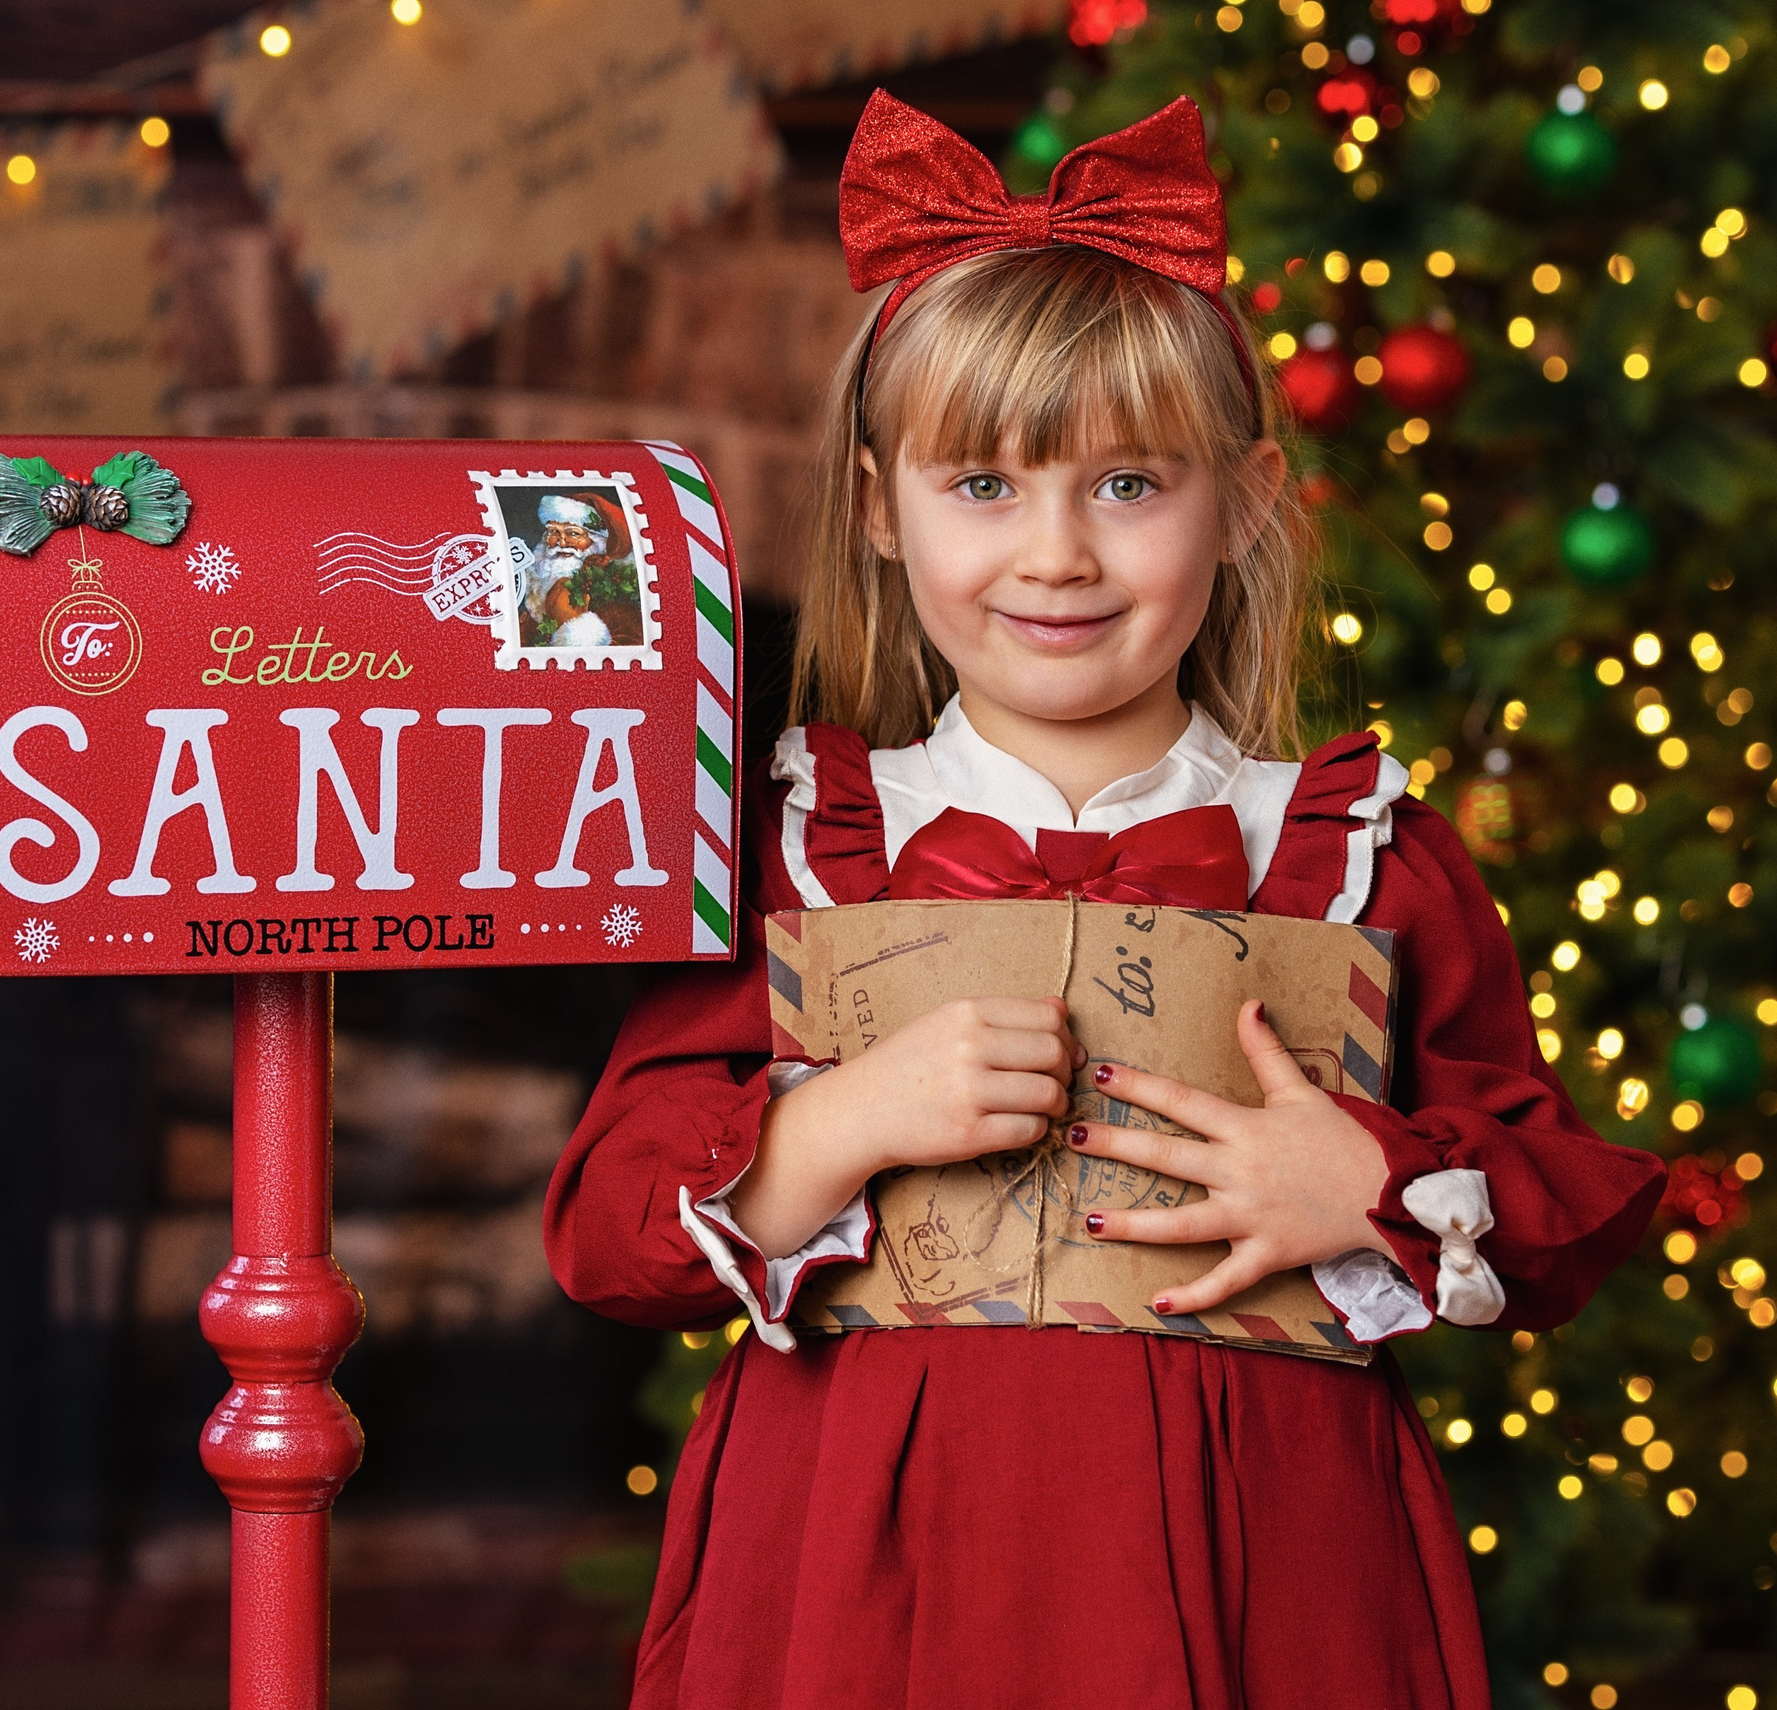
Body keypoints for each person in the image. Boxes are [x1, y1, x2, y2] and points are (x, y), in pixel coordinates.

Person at [544, 91, 1665, 1710]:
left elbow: (1559, 1202)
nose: (1056, 552)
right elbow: (606, 1233)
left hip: (1268, 1550)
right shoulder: (800, 851)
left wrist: (1361, 1181)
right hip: (864, 1558)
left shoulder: (1359, 857)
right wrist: (844, 1119)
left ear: (1249, 498)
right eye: (983, 486)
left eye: (1129, 485)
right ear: (877, 506)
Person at [520, 490, 633, 647]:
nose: (562, 543)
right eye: (553, 532)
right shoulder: (538, 589)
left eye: (573, 533)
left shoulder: (618, 594)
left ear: (597, 540)